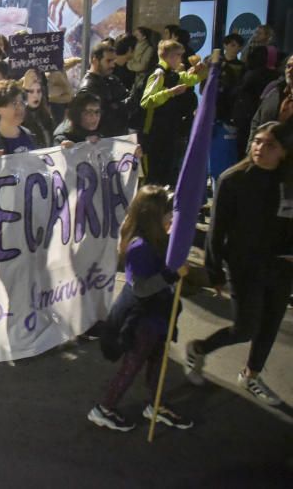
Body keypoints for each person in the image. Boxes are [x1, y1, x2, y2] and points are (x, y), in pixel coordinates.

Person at [185, 122, 293, 406]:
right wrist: (214, 271)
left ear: (283, 152)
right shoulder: (233, 180)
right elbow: (216, 231)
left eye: (270, 145)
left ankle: (251, 375)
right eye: (257, 141)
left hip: (282, 268)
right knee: (245, 328)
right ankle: (199, 348)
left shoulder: (288, 180)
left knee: (269, 326)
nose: (260, 148)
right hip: (245, 266)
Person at [89, 185, 193, 432]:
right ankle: (103, 408)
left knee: (158, 361)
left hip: (159, 315)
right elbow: (141, 289)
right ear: (152, 216)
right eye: (168, 215)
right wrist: (170, 275)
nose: (172, 219)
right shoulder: (140, 247)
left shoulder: (158, 239)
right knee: (133, 364)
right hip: (143, 320)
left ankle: (156, 405)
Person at [138, 40, 208, 185]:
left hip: (168, 131)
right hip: (153, 133)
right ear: (168, 57)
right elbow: (146, 101)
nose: (181, 59)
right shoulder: (159, 73)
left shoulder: (172, 74)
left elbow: (192, 79)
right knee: (154, 175)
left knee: (167, 173)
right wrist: (170, 92)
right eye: (178, 55)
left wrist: (202, 69)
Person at [80, 40, 130, 137]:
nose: (112, 65)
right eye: (108, 61)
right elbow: (104, 116)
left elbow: (127, 100)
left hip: (119, 138)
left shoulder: (112, 79)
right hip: (101, 143)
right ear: (95, 60)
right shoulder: (88, 87)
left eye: (114, 61)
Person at [20, 70, 55, 149]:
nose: (36, 96)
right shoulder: (19, 121)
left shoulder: (47, 117)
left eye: (39, 91)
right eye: (31, 92)